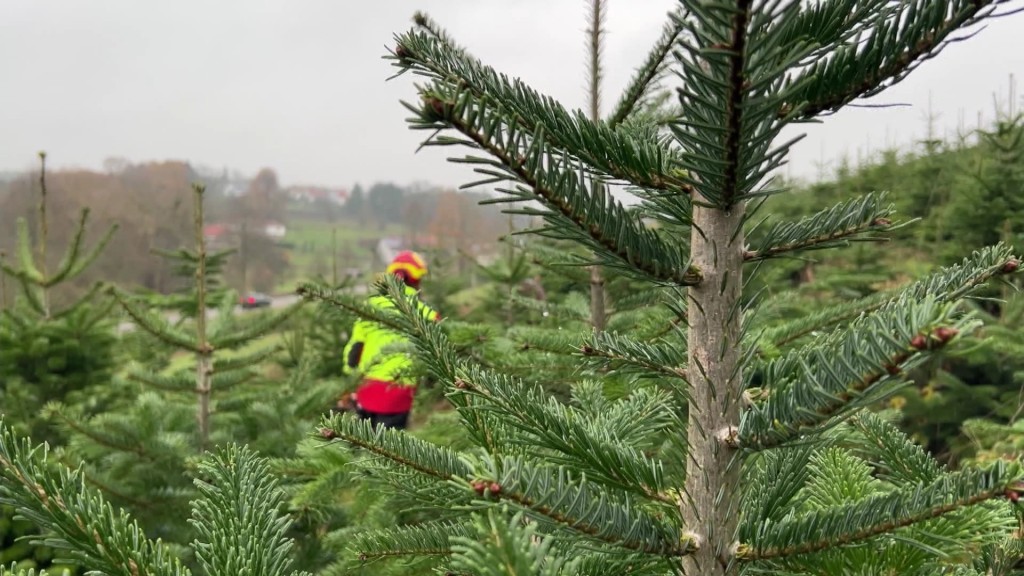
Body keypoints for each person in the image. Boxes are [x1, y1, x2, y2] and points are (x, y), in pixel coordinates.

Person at [340, 250, 440, 430]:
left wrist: (351, 382)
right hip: (399, 394)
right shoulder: (429, 315)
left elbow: (354, 351)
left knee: (364, 445)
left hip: (366, 389)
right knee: (390, 452)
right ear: (416, 280)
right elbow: (437, 360)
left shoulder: (368, 308)